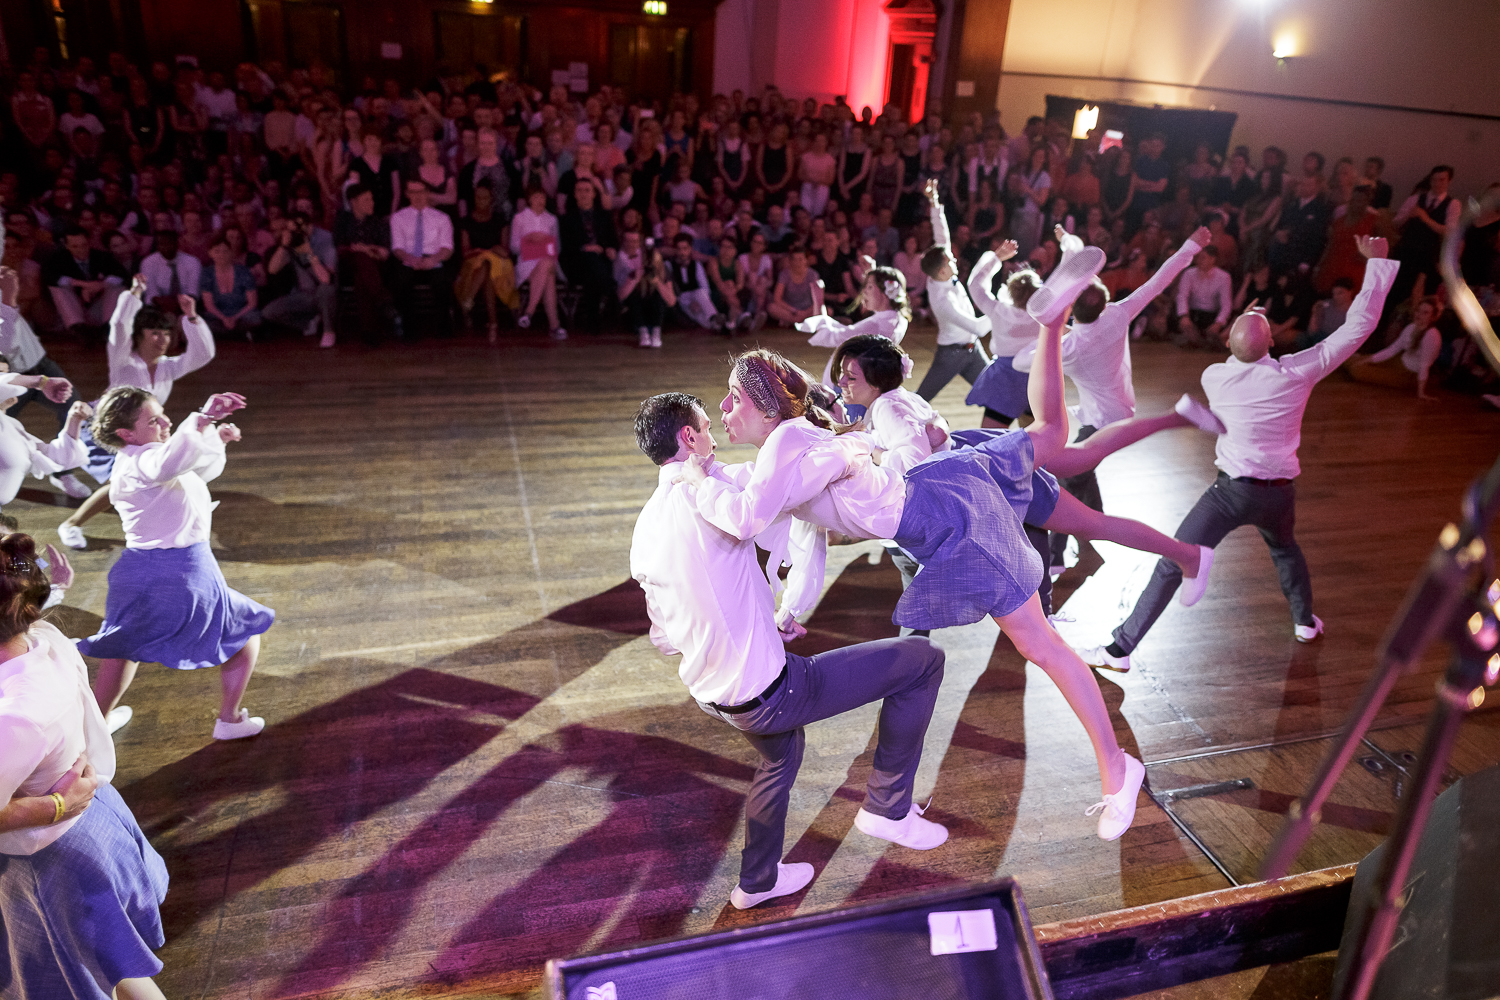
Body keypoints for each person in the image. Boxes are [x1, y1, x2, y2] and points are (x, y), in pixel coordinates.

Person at [676, 258, 1148, 839]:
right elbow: (802, 532)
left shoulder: (787, 441)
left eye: (731, 399)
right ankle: (1051, 323)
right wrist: (791, 610)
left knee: (1041, 644)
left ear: (767, 403)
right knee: (1051, 435)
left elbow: (747, 516)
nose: (723, 410)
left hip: (950, 518)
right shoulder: (789, 450)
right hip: (940, 494)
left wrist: (697, 477)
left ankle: (1118, 769)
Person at [630, 393, 949, 910]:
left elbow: (664, 636)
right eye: (706, 426)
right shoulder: (716, 498)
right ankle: (887, 809)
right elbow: (760, 505)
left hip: (711, 694)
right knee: (921, 663)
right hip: (767, 691)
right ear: (688, 438)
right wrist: (858, 445)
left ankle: (756, 883)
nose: (714, 433)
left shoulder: (646, 527)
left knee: (782, 752)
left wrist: (751, 624)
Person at [1079, 236, 1396, 672]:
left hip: (1230, 494)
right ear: (1271, 344)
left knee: (1176, 559)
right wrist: (1376, 264)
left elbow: (1242, 355)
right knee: (1285, 549)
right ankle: (1304, 622)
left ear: (1228, 345)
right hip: (1280, 493)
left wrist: (1248, 327)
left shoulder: (1215, 377)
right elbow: (1358, 327)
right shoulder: (1296, 373)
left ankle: (1120, 649)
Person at [0, 532, 172, 1000]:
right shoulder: (43, 637)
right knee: (110, 968)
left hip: (44, 865)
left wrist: (55, 805)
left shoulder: (17, 717)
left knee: (78, 980)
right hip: (85, 835)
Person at [76, 386, 273, 740]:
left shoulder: (132, 460)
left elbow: (188, 469)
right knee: (245, 633)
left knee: (122, 649)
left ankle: (94, 729)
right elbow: (170, 461)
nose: (166, 421)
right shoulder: (147, 461)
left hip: (137, 572)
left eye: (163, 413)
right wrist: (205, 417)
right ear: (126, 433)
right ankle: (229, 720)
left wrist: (216, 438)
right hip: (182, 570)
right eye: (153, 420)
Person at [1018, 227, 1209, 573]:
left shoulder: (1071, 346)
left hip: (1100, 421)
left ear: (1073, 307)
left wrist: (1053, 329)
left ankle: (1059, 555)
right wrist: (1189, 245)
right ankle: (1089, 540)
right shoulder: (1119, 314)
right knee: (1082, 476)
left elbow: (1021, 362)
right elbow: (1160, 280)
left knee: (1065, 483)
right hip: (1122, 408)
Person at [57, 279, 216, 550]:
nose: (162, 339)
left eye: (166, 333)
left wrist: (191, 317)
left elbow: (202, 355)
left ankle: (63, 471)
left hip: (138, 433)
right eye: (154, 332)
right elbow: (119, 326)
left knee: (139, 480)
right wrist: (134, 295)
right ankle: (71, 523)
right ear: (139, 335)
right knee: (117, 482)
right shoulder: (123, 362)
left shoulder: (169, 367)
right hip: (102, 427)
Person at [912, 179, 993, 402]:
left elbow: (941, 236)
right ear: (941, 272)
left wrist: (934, 201)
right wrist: (1002, 308)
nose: (954, 258)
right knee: (921, 399)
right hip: (951, 355)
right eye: (949, 261)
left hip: (972, 351)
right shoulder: (943, 300)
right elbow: (978, 327)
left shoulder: (940, 272)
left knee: (995, 391)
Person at [798, 263, 909, 386]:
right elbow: (845, 331)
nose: (864, 291)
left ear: (885, 293)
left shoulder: (875, 325)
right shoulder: (899, 319)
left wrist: (818, 300)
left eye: (870, 287)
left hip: (848, 387)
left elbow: (833, 336)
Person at [390, 178, 457, 339]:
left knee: (442, 282)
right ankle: (409, 328)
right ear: (407, 194)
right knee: (401, 280)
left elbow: (447, 247)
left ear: (427, 193)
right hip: (409, 258)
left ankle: (443, 326)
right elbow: (397, 247)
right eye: (413, 192)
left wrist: (432, 260)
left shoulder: (441, 218)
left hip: (433, 257)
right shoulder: (399, 217)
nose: (418, 196)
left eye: (421, 192)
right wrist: (411, 259)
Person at [332, 182, 398, 345]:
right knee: (361, 262)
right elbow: (339, 247)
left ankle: (369, 331)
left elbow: (384, 252)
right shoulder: (342, 221)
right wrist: (360, 250)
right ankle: (382, 301)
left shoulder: (378, 222)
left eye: (372, 199)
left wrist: (366, 249)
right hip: (348, 265)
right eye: (367, 200)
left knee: (363, 273)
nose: (372, 203)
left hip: (376, 267)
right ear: (353, 202)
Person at [455, 181, 519, 343]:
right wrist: (482, 252)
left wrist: (490, 252)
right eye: (478, 197)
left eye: (485, 197)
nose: (481, 200)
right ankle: (493, 324)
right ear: (474, 199)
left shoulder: (500, 220)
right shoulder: (466, 221)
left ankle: (467, 301)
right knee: (485, 267)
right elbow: (466, 252)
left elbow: (505, 251)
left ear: (491, 199)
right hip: (473, 263)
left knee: (489, 266)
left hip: (498, 263)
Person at [264, 210, 338, 347]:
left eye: (297, 230)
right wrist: (284, 245)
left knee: (325, 290)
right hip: (303, 294)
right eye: (291, 230)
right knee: (269, 312)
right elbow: (272, 269)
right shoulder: (293, 242)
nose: (295, 234)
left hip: (325, 294)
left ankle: (329, 331)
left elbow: (326, 279)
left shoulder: (325, 239)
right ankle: (309, 323)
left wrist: (308, 253)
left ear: (309, 227)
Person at [1346, 296, 1443, 400]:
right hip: (1399, 361)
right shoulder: (1411, 327)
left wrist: (1421, 393)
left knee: (1357, 370)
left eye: (1425, 313)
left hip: (1408, 374)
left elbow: (1424, 366)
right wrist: (1366, 359)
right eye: (1418, 311)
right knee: (1350, 358)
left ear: (1433, 317)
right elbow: (1392, 350)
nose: (1419, 314)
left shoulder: (1432, 335)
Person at [43, 226, 128, 335]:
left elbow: (122, 276)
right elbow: (50, 277)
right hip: (75, 310)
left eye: (84, 245)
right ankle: (78, 328)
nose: (81, 250)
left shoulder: (101, 257)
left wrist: (101, 285)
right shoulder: (58, 259)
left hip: (99, 310)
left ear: (89, 242)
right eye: (75, 246)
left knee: (117, 286)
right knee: (57, 288)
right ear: (67, 246)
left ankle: (109, 328)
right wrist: (84, 284)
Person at [558, 179, 618, 333]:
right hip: (577, 262)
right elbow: (565, 247)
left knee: (594, 271)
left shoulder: (604, 216)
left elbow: (613, 241)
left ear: (593, 194)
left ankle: (593, 319)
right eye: (579, 190)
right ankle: (611, 294)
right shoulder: (567, 219)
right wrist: (586, 248)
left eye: (587, 190)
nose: (583, 194)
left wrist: (609, 248)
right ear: (574, 194)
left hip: (601, 262)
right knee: (591, 262)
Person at [508, 186, 564, 340]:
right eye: (536, 197)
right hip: (527, 262)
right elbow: (513, 247)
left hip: (547, 259)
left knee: (546, 264)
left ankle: (528, 312)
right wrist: (530, 239)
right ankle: (554, 325)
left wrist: (544, 240)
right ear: (529, 199)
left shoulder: (552, 219)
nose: (540, 200)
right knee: (548, 277)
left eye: (542, 197)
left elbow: (557, 246)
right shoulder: (519, 218)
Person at [199, 232, 261, 340]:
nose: (221, 255)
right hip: (217, 315)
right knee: (202, 323)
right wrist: (224, 318)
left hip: (241, 313)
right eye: (217, 252)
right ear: (210, 253)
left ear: (231, 253)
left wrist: (234, 318)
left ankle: (227, 334)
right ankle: (239, 334)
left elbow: (252, 303)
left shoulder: (244, 272)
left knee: (256, 318)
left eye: (225, 251)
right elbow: (208, 305)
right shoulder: (207, 273)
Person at [615, 231, 669, 348]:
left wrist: (656, 280)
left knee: (659, 295)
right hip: (633, 302)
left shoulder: (651, 260)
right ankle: (643, 333)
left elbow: (671, 299)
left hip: (650, 297)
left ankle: (656, 332)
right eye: (628, 241)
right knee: (634, 295)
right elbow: (620, 294)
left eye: (634, 241)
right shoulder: (622, 260)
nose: (631, 244)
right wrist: (635, 278)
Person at [1175, 245, 1234, 348]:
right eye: (1198, 257)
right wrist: (1184, 316)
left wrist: (1218, 322)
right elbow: (1182, 296)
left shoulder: (1223, 277)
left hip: (1211, 316)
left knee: (1214, 335)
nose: (1199, 261)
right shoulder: (1189, 274)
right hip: (1192, 314)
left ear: (1213, 259)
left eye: (1203, 257)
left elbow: (1226, 304)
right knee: (1187, 329)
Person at [139, 229, 202, 315]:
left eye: (170, 243)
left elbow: (193, 292)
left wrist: (178, 306)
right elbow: (151, 293)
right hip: (158, 307)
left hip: (187, 307)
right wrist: (166, 306)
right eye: (162, 244)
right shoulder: (148, 262)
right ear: (157, 246)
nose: (167, 248)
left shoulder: (192, 262)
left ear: (177, 244)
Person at [666, 233, 720, 330]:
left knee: (700, 293)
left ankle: (714, 320)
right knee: (694, 310)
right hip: (681, 298)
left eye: (685, 249)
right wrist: (688, 303)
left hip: (697, 296)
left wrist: (697, 302)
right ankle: (716, 323)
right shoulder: (669, 265)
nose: (682, 252)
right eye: (679, 249)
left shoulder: (696, 264)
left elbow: (704, 286)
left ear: (690, 249)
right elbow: (671, 290)